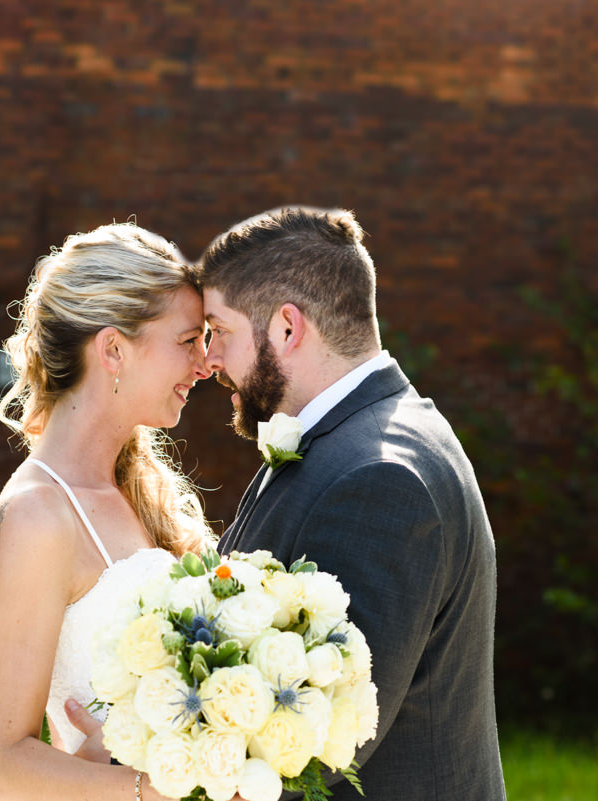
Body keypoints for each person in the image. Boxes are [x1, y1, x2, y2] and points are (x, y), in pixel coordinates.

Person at [198, 206, 507, 801]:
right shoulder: (360, 440)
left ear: (287, 328)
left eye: (221, 331)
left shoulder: (377, 478)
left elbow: (315, 745)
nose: (210, 359)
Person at [0, 222, 213, 801]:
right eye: (188, 341)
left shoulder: (141, 491)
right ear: (112, 349)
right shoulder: (36, 517)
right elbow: (5, 767)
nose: (206, 364)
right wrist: (152, 788)